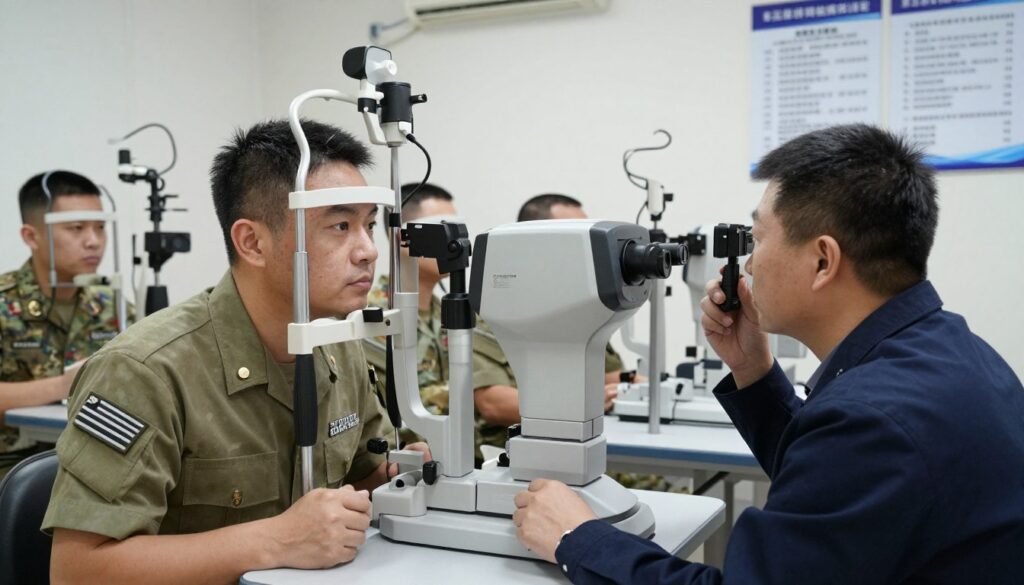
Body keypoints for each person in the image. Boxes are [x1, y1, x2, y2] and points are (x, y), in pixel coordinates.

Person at [513, 124, 1024, 584]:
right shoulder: (957, 353)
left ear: (823, 260)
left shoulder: (872, 421)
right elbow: (832, 486)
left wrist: (577, 537)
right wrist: (754, 371)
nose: (751, 261)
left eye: (759, 238)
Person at [43, 120, 429, 583]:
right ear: (252, 242)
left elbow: (366, 474)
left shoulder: (335, 344)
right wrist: (278, 540)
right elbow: (76, 571)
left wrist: (406, 474)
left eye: (369, 225)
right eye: (340, 226)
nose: (368, 250)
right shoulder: (145, 372)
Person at [0, 171, 130, 474]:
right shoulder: (5, 303)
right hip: (12, 463)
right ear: (31, 236)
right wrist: (63, 385)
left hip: (95, 459)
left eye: (100, 227)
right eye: (76, 228)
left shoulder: (114, 304)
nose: (94, 241)